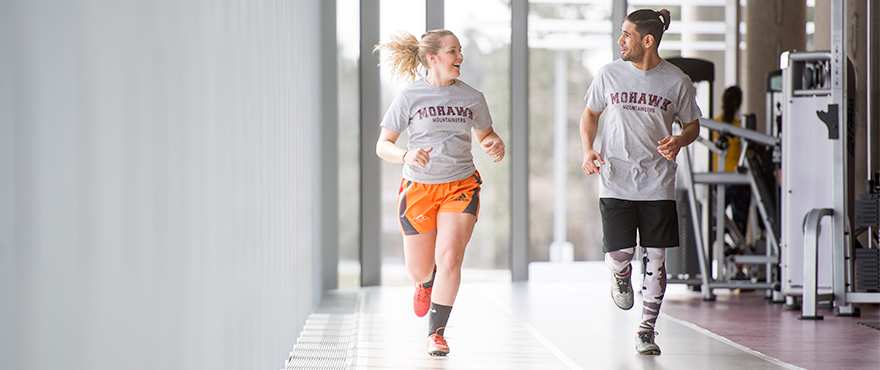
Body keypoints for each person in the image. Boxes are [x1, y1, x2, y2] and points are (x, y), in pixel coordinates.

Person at [373, 29, 505, 357]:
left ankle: (436, 333)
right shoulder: (409, 97)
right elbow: (382, 145)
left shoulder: (472, 97)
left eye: (460, 50)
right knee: (419, 269)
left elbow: (485, 134)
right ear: (432, 58)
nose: (460, 57)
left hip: (460, 185)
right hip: (418, 187)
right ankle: (425, 284)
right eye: (453, 51)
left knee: (449, 257)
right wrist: (405, 155)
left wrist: (495, 142)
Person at [579, 8, 702, 355]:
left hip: (658, 183)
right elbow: (590, 113)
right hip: (616, 179)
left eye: (626, 35)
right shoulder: (609, 75)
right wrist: (588, 150)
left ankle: (646, 331)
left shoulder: (677, 81)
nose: (621, 41)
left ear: (647, 41)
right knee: (620, 254)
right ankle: (620, 275)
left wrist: (680, 140)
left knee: (657, 259)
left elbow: (692, 124)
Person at [713, 86, 751, 236]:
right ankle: (739, 245)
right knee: (740, 222)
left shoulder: (715, 124)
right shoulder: (741, 128)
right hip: (737, 179)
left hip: (717, 177)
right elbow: (747, 154)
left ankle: (718, 237)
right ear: (739, 104)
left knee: (715, 221)